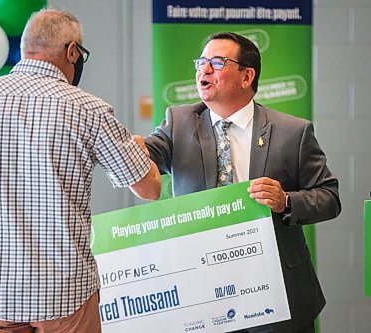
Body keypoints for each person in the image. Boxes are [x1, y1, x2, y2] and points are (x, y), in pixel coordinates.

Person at [0, 9, 160, 333]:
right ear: (72, 52)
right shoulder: (89, 109)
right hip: (64, 299)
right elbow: (149, 188)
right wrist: (137, 148)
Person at [144, 32, 341, 333]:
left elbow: (329, 197)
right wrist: (128, 146)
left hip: (276, 293)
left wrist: (286, 201)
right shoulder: (178, 122)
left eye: (217, 62)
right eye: (201, 62)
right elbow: (145, 156)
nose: (204, 70)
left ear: (247, 76)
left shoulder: (293, 132)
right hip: (201, 292)